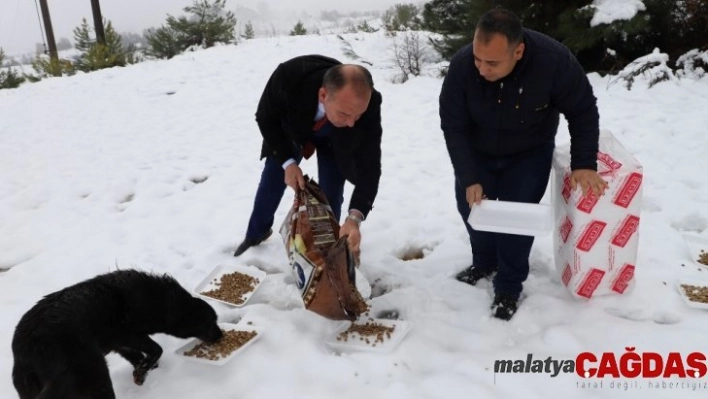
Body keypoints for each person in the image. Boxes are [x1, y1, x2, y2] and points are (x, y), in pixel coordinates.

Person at [439, 8, 608, 320]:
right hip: (478, 150)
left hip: (529, 151)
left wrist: (584, 163)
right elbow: (453, 125)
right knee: (473, 210)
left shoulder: (554, 62)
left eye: (491, 62)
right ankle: (485, 261)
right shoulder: (463, 65)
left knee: (518, 218)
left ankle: (509, 285)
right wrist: (469, 175)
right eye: (478, 58)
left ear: (518, 51)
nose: (481, 68)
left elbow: (583, 110)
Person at [234, 55, 383, 259]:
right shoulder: (288, 78)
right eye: (345, 114)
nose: (351, 123)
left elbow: (370, 163)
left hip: (334, 139)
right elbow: (265, 117)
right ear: (323, 95)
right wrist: (288, 163)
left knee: (332, 191)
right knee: (272, 180)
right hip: (292, 130)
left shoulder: (367, 103)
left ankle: (328, 245)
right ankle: (256, 233)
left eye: (357, 115)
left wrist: (354, 218)